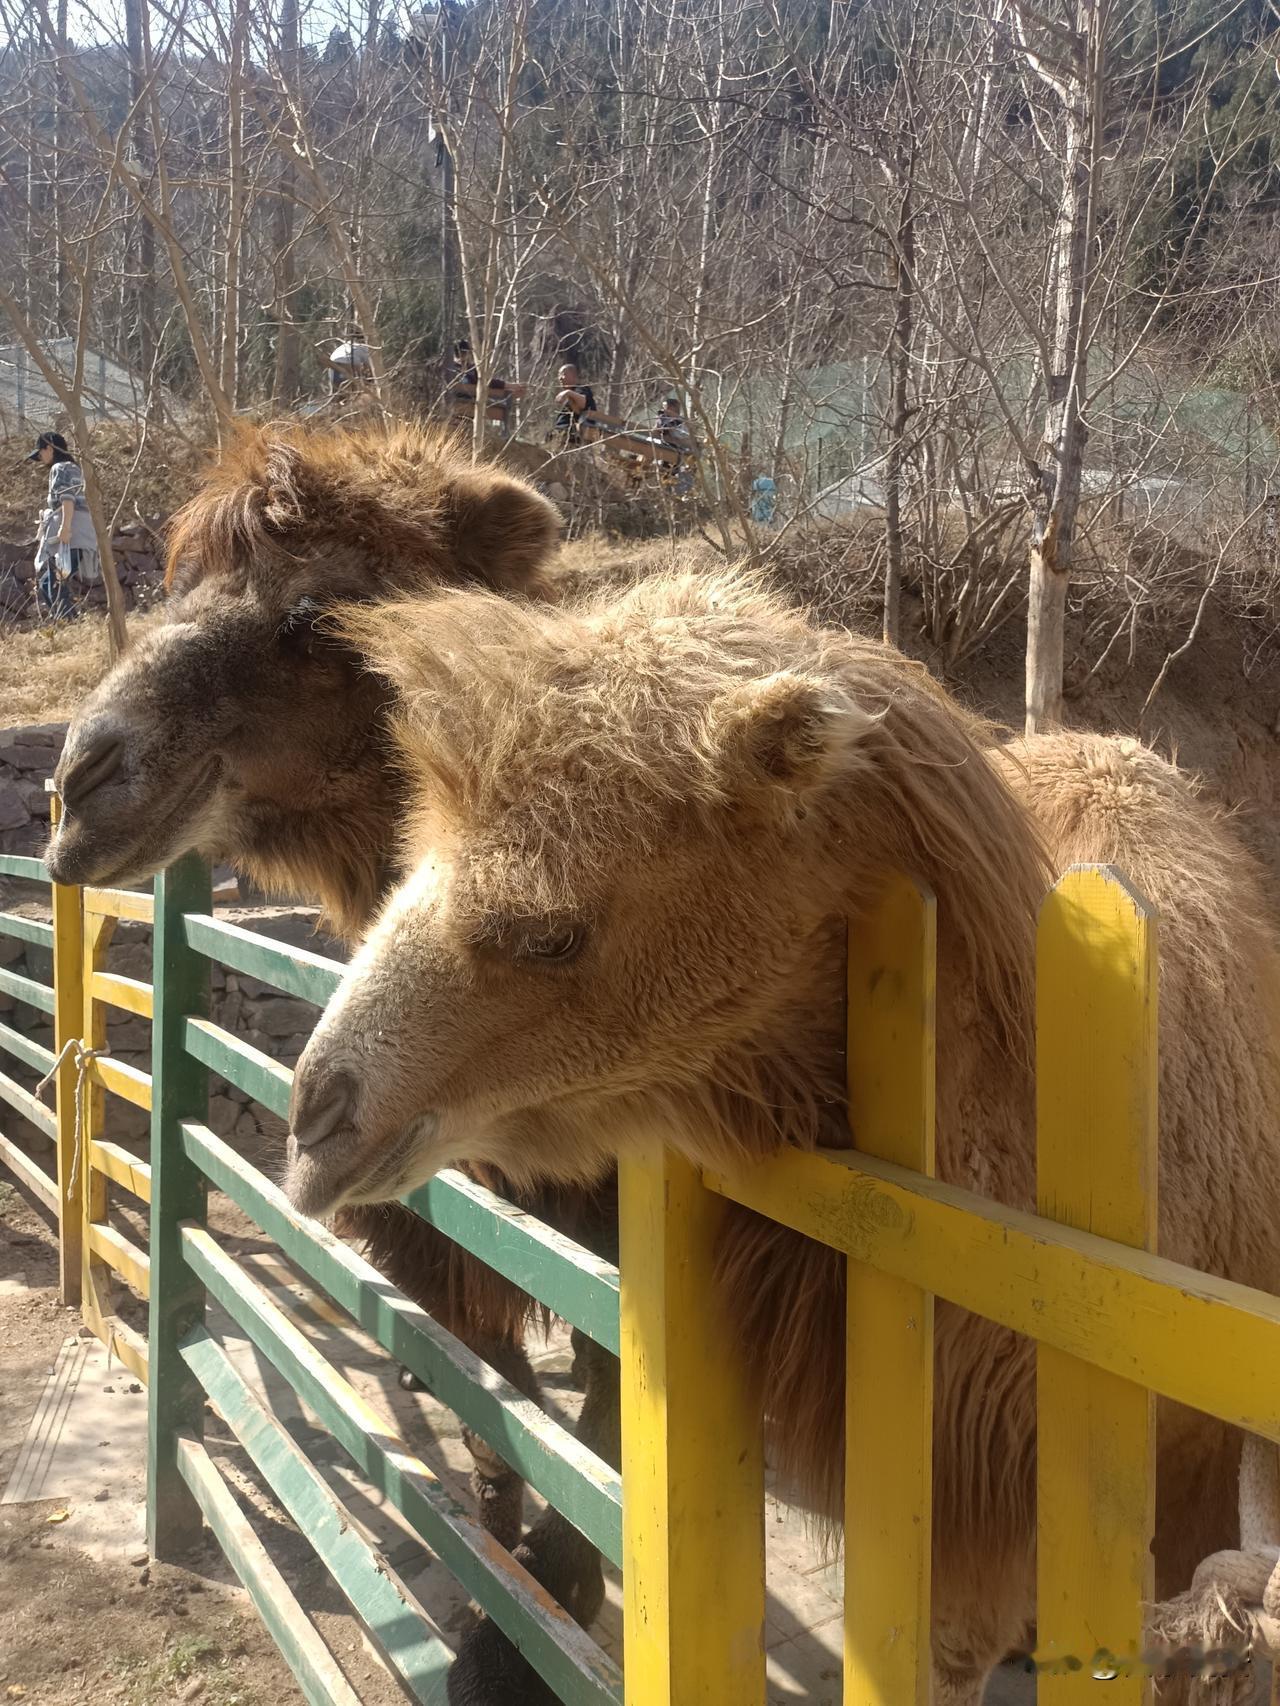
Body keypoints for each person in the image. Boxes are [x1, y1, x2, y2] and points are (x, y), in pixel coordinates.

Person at [27, 431, 97, 622]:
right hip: (81, 534)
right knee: (49, 582)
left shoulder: (60, 468)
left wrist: (65, 528)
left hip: (71, 535)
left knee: (54, 583)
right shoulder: (74, 468)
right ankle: (69, 622)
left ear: (49, 448)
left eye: (40, 452)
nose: (40, 458)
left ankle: (71, 624)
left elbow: (67, 498)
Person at [554, 363, 597, 440]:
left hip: (572, 435)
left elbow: (582, 403)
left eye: (563, 374)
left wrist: (568, 392)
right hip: (562, 433)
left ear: (573, 376)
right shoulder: (572, 394)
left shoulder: (581, 389)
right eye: (559, 375)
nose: (560, 378)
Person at [328, 326, 372, 396]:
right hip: (349, 362)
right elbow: (370, 366)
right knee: (356, 385)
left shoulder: (345, 345)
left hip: (333, 362)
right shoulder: (363, 347)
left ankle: (334, 399)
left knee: (335, 390)